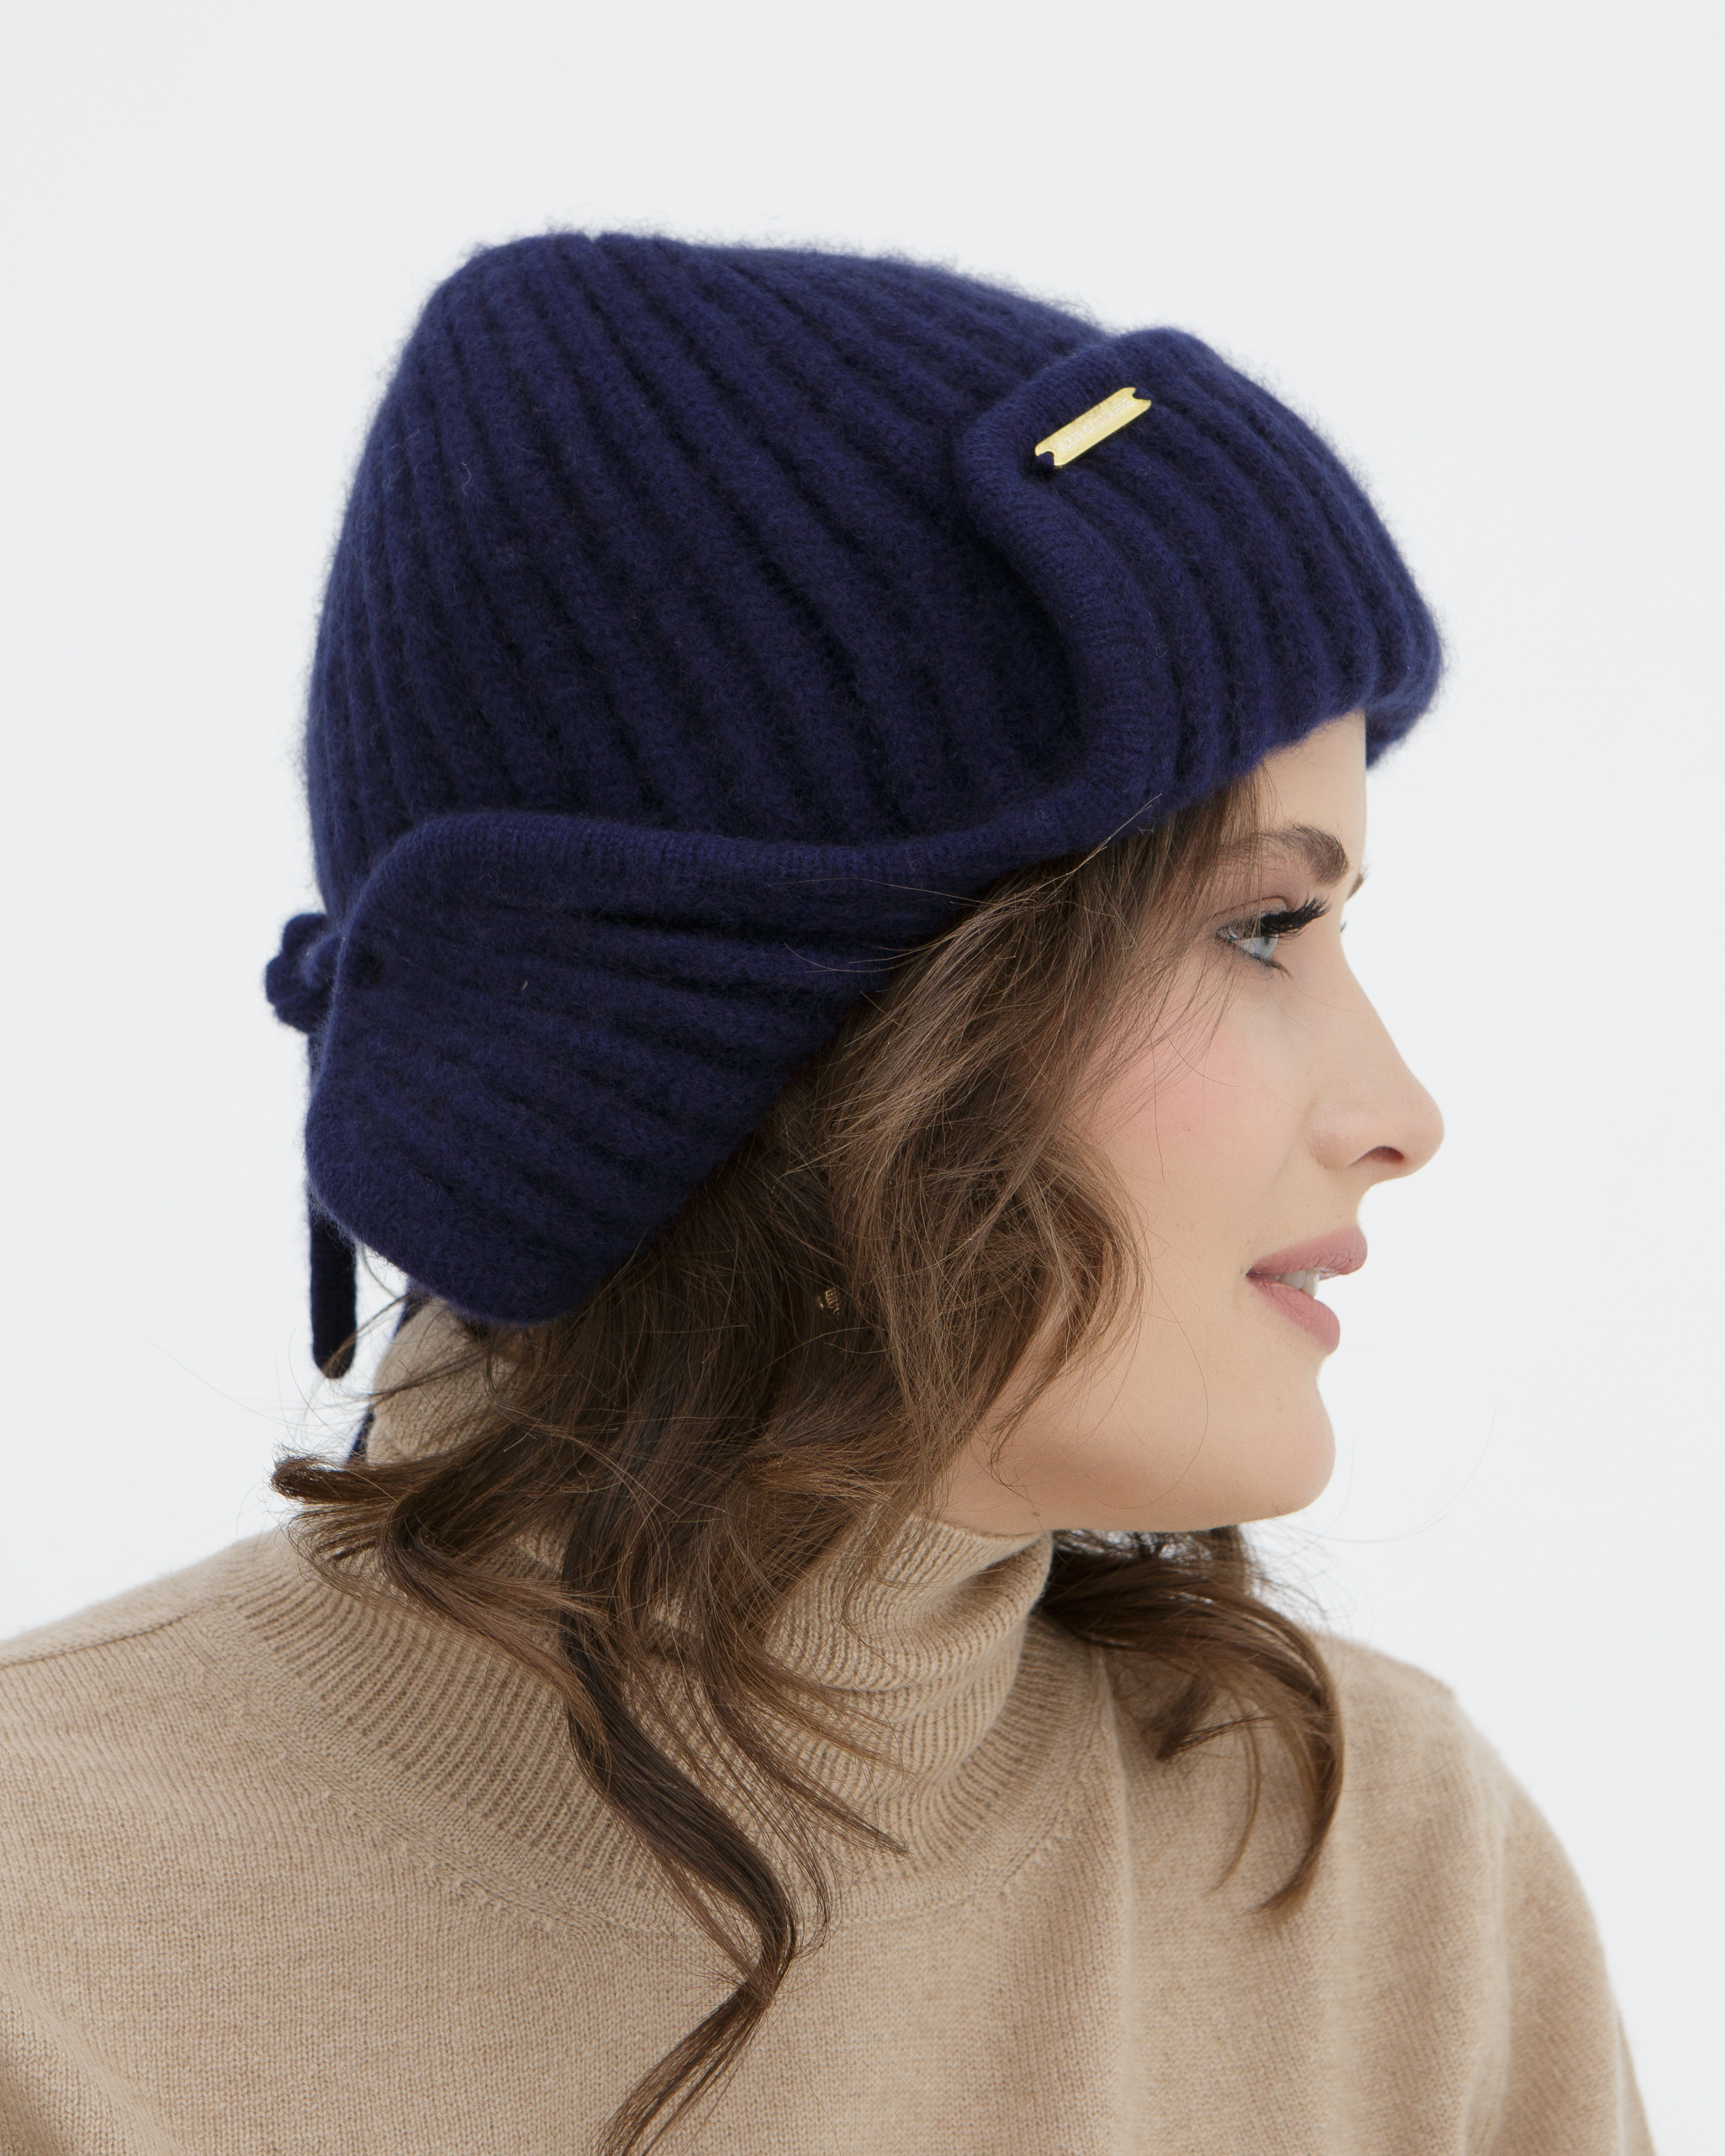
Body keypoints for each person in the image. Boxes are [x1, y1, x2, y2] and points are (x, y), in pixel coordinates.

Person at [0, 236, 1650, 2156]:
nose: (1400, 1116)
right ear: (775, 1028)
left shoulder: (1384, 1882)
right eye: (1263, 926)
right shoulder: (47, 1938)